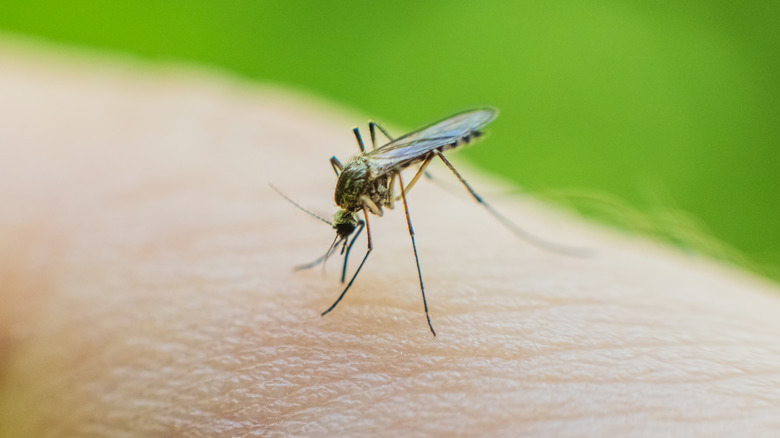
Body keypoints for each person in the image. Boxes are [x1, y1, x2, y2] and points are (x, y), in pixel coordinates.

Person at [2, 45, 780, 436]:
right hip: (390, 157)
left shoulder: (365, 195)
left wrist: (372, 211)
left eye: (340, 227)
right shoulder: (349, 193)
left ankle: (478, 209)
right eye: (341, 226)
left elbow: (370, 220)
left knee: (403, 212)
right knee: (376, 178)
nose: (345, 228)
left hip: (414, 150)